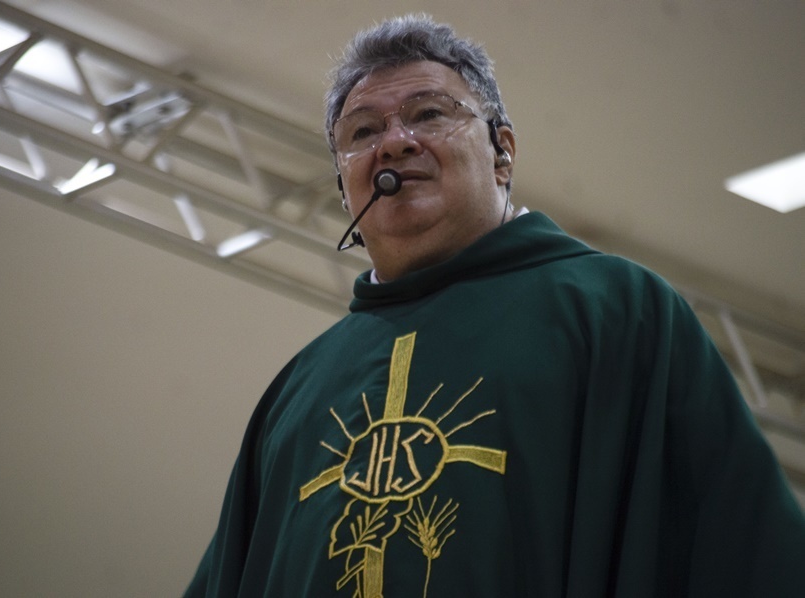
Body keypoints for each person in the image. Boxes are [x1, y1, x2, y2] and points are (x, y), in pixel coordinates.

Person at [183, 14, 805, 598]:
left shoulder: (616, 309)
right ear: (345, 191)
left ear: (502, 151)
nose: (393, 143)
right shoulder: (297, 390)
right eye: (363, 131)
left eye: (429, 114)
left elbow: (739, 546)